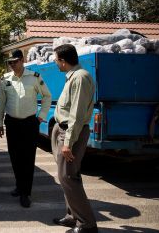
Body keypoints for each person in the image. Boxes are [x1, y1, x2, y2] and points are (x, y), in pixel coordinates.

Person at [0, 49, 51, 208]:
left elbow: (47, 96)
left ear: (22, 60)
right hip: (12, 123)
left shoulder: (34, 78)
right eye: (10, 63)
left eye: (15, 62)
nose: (12, 65)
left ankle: (25, 193)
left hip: (29, 123)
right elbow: (0, 103)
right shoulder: (6, 79)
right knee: (15, 157)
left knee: (27, 159)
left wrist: (42, 116)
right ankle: (19, 186)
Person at [51, 44, 98, 233]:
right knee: (66, 176)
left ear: (63, 61)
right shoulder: (73, 77)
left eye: (56, 60)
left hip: (71, 134)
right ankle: (73, 216)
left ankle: (87, 224)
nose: (55, 63)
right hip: (63, 130)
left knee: (68, 177)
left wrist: (68, 143)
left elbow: (77, 115)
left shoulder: (80, 78)